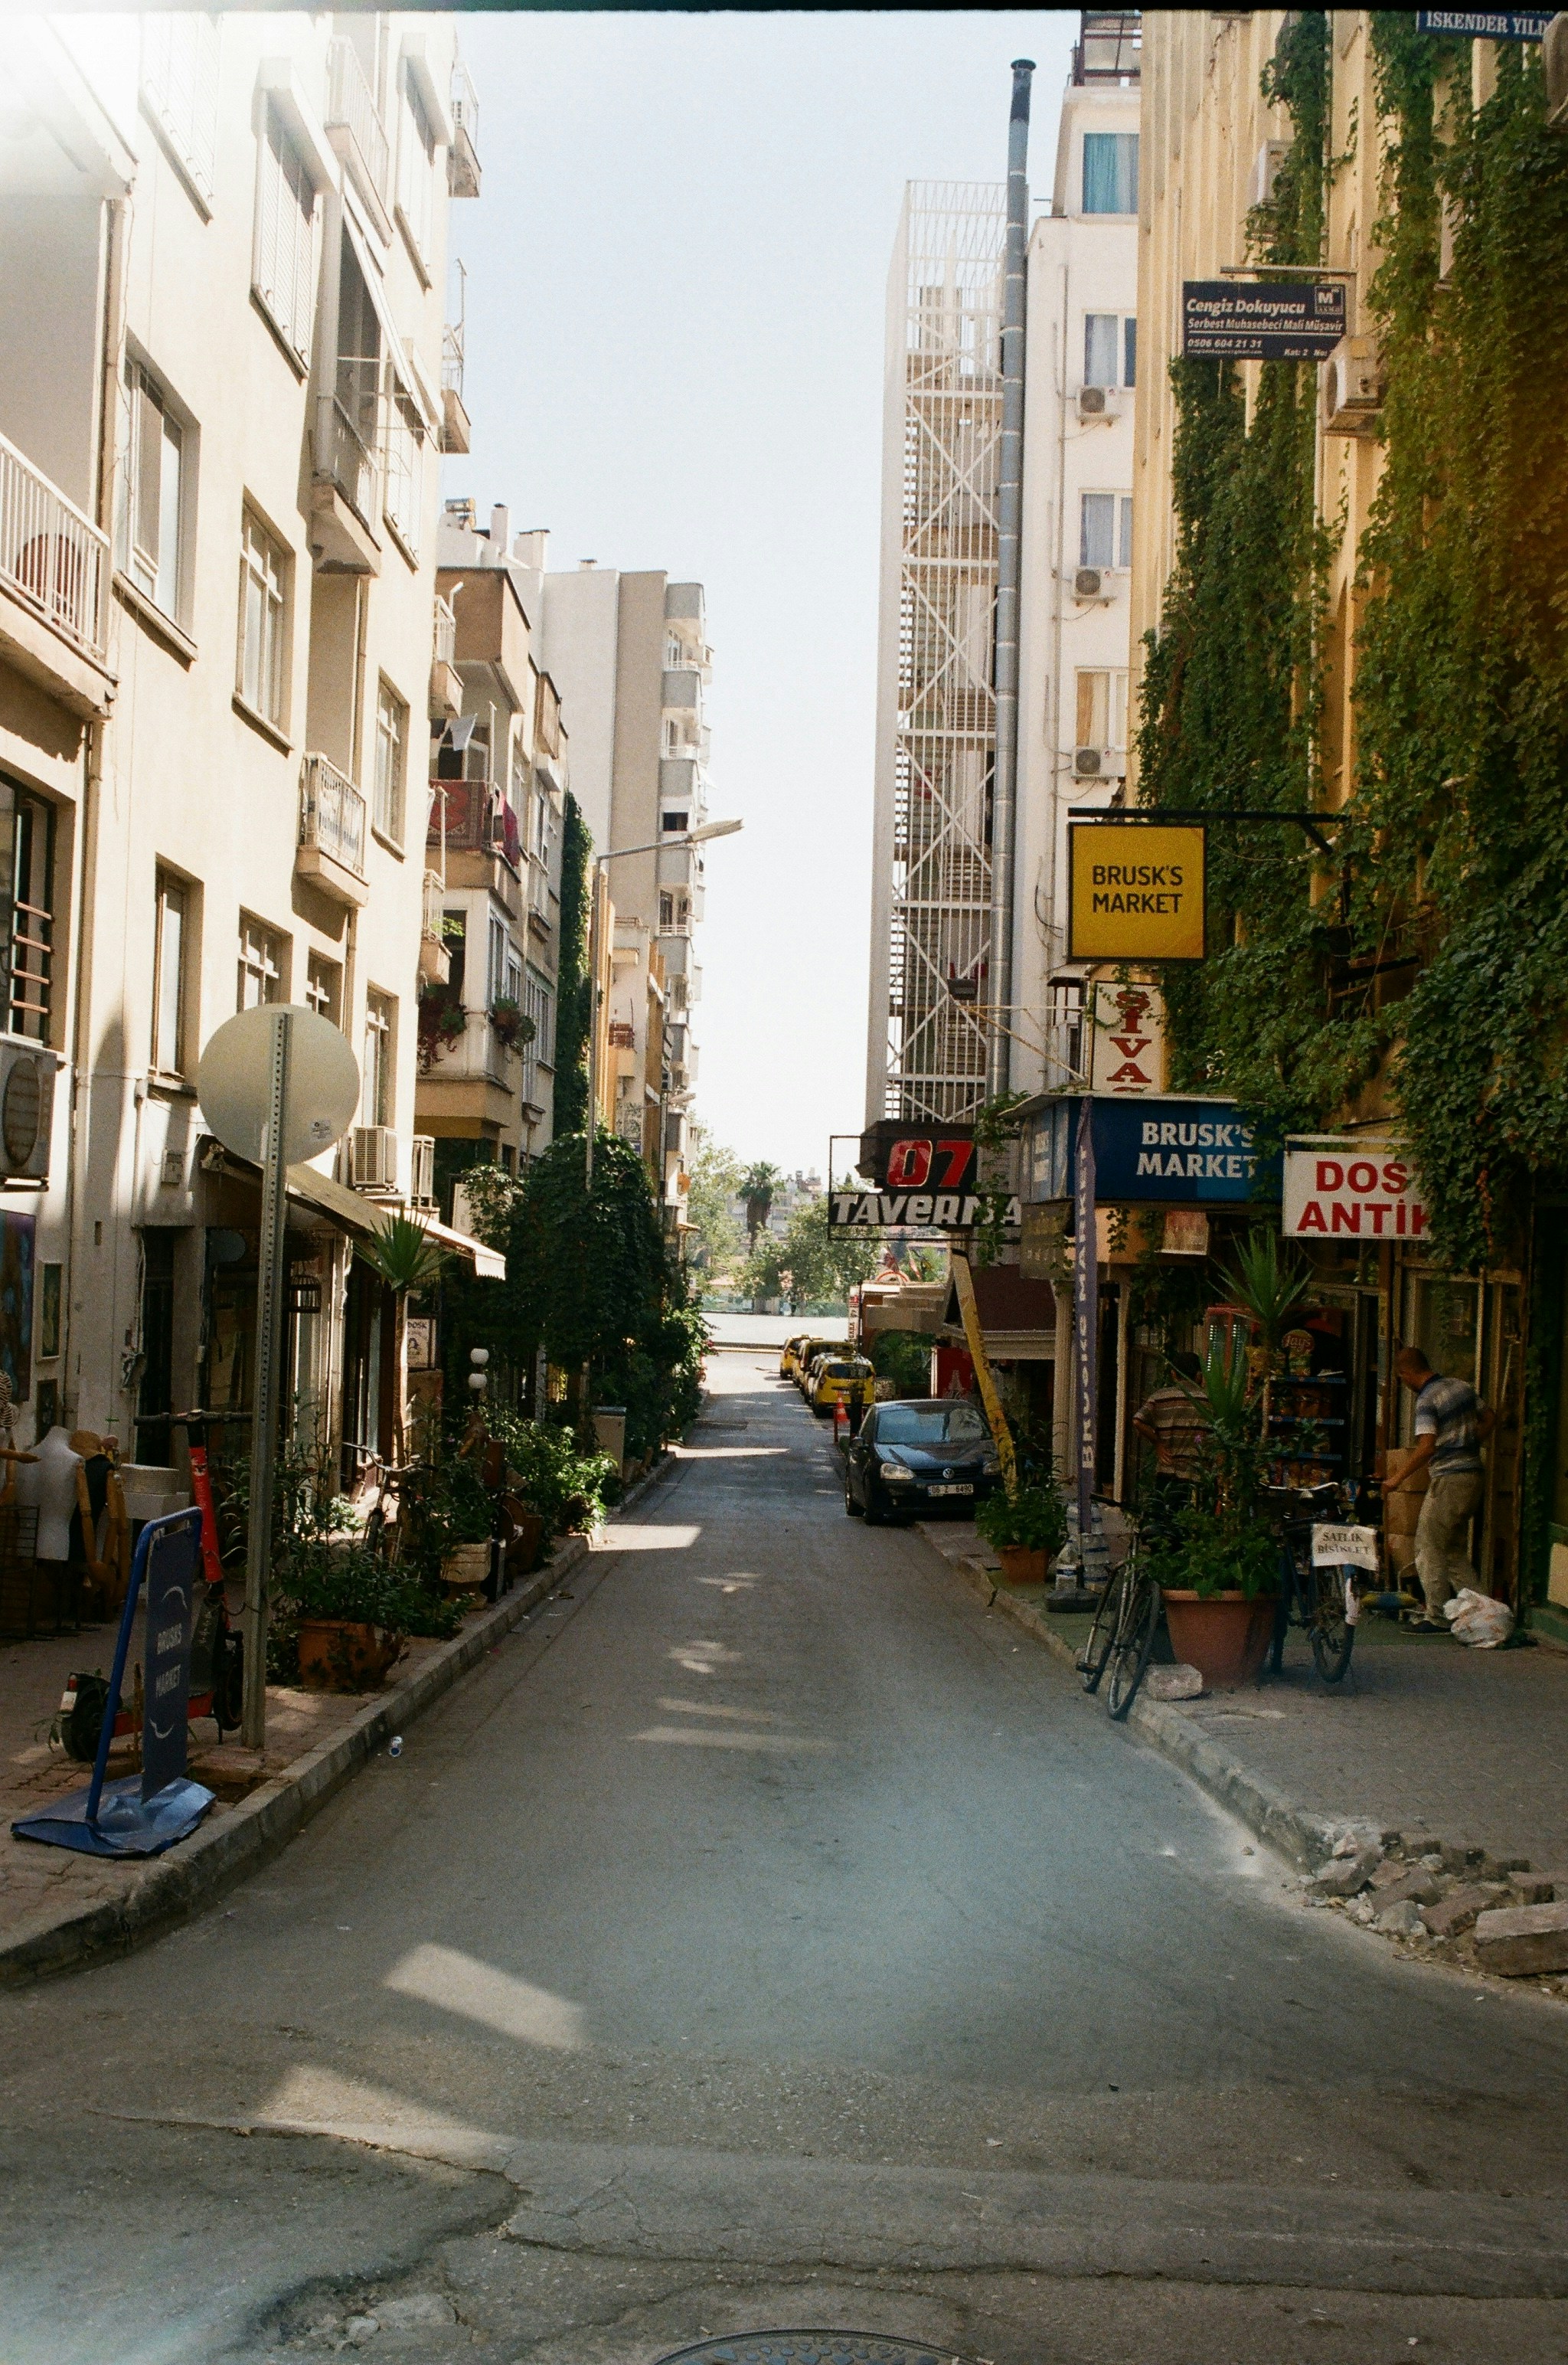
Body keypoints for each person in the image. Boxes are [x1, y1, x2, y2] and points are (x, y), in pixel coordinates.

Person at [1389, 1346, 1494, 1632]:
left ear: (1406, 1374)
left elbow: (1426, 1447)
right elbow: (1490, 1417)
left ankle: (1436, 1615)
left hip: (1449, 1478)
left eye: (1402, 1379)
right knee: (1453, 1550)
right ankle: (1485, 1613)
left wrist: (1396, 1479)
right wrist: (1471, 1442)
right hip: (1473, 1475)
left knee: (1427, 1545)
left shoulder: (1426, 1400)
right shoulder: (1462, 1387)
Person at [1133, 1349, 1208, 1545]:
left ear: (1174, 1374)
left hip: (1167, 1475)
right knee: (1188, 1534)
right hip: (1197, 1478)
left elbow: (1138, 1421)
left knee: (1162, 1531)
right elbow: (1209, 1436)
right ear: (1199, 1376)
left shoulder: (1160, 1398)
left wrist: (1158, 1443)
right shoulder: (1207, 1401)